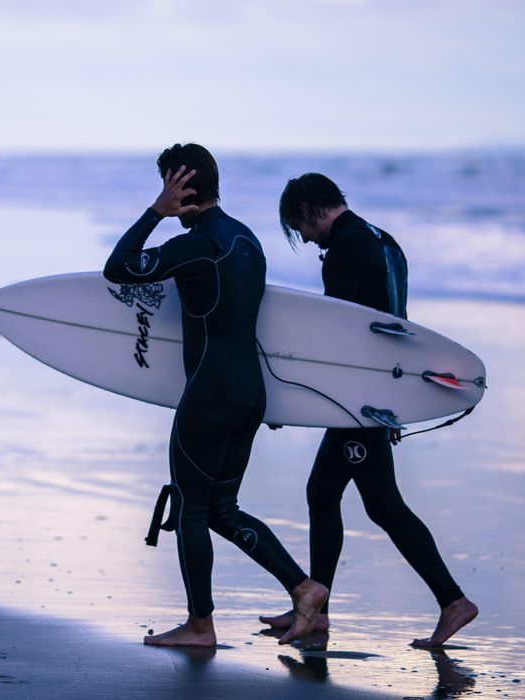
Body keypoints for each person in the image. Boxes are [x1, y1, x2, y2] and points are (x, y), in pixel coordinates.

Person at [103, 144, 328, 648]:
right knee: (223, 508)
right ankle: (304, 587)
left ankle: (200, 626)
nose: (162, 194)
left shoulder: (198, 243)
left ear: (180, 188)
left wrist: (155, 214)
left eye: (167, 185)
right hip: (250, 391)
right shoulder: (247, 240)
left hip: (209, 393)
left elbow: (118, 269)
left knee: (192, 509)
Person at [258, 173, 478, 648]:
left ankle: (452, 600)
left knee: (383, 505)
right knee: (322, 492)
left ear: (310, 210)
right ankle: (316, 610)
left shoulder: (346, 248)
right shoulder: (384, 241)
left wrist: (288, 399)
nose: (305, 238)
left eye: (299, 227)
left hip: (356, 399)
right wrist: (394, 400)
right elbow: (395, 323)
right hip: (376, 393)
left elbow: (334, 337)